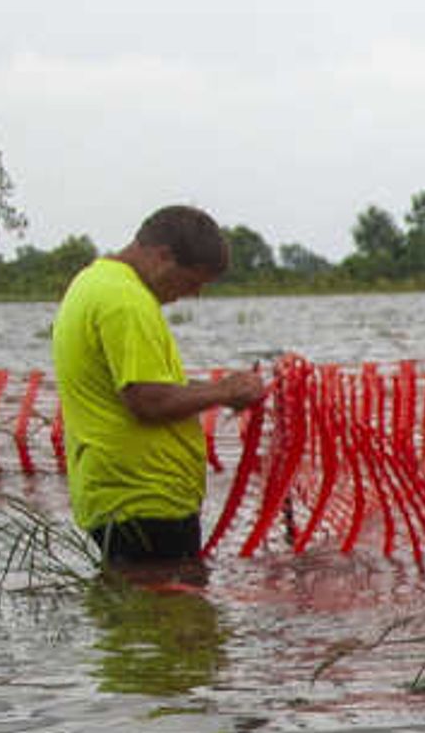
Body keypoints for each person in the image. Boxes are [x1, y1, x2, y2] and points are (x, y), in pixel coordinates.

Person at [49, 206, 268, 578]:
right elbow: (147, 401)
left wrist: (221, 389)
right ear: (163, 256)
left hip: (123, 499)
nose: (194, 294)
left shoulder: (94, 282)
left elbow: (143, 388)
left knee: (139, 628)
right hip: (144, 503)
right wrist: (224, 391)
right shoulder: (126, 301)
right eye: (192, 280)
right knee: (174, 626)